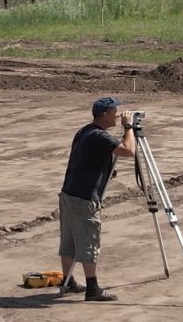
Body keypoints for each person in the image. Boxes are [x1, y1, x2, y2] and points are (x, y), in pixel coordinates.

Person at [57, 96, 136, 301]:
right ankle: (92, 288)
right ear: (104, 115)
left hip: (69, 193)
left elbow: (86, 159)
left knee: (69, 239)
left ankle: (68, 281)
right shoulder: (101, 137)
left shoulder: (85, 131)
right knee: (89, 240)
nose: (117, 115)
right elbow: (129, 151)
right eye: (114, 112)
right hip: (84, 198)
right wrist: (128, 128)